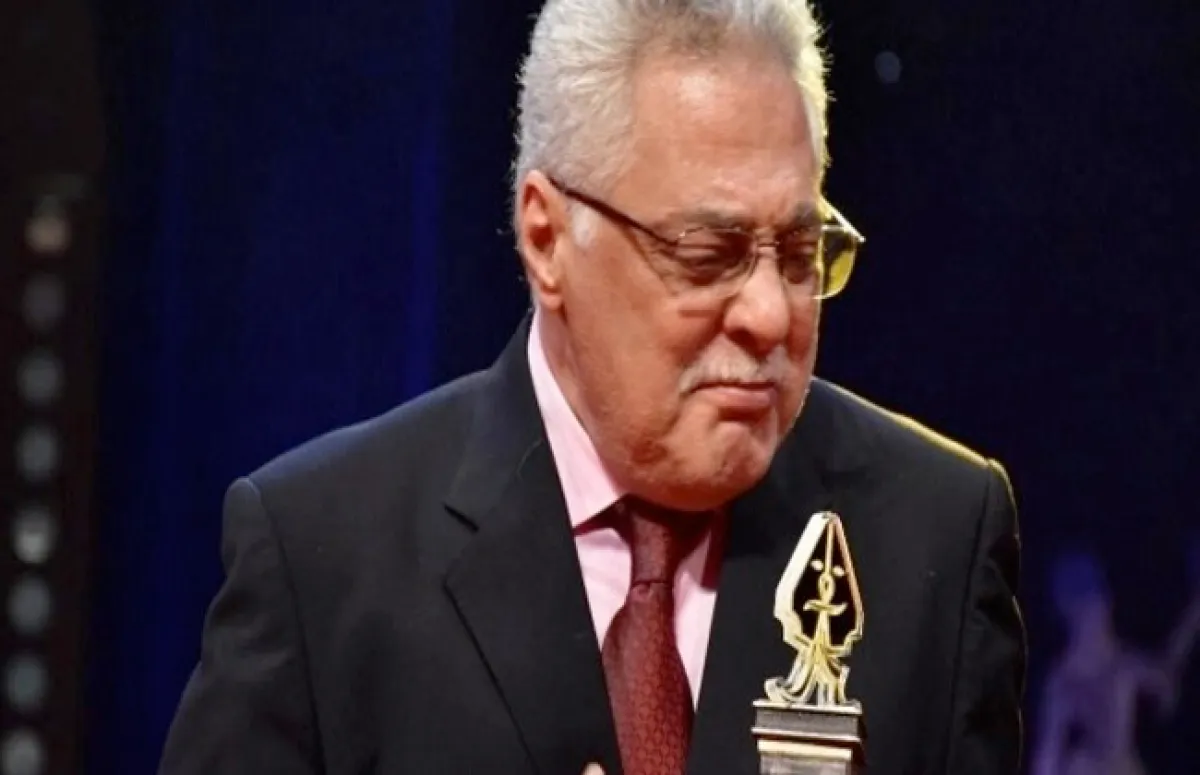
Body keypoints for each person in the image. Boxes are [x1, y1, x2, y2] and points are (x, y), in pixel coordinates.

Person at [158, 1, 1025, 774]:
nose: (769, 313)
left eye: (800, 255)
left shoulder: (937, 540)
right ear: (547, 239)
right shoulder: (324, 558)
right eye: (707, 255)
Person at [1031, 550, 1200, 775]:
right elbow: (1045, 760)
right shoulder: (1064, 684)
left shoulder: (1122, 665)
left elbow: (1165, 678)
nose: (1105, 614)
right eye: (1096, 605)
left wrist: (1194, 612)